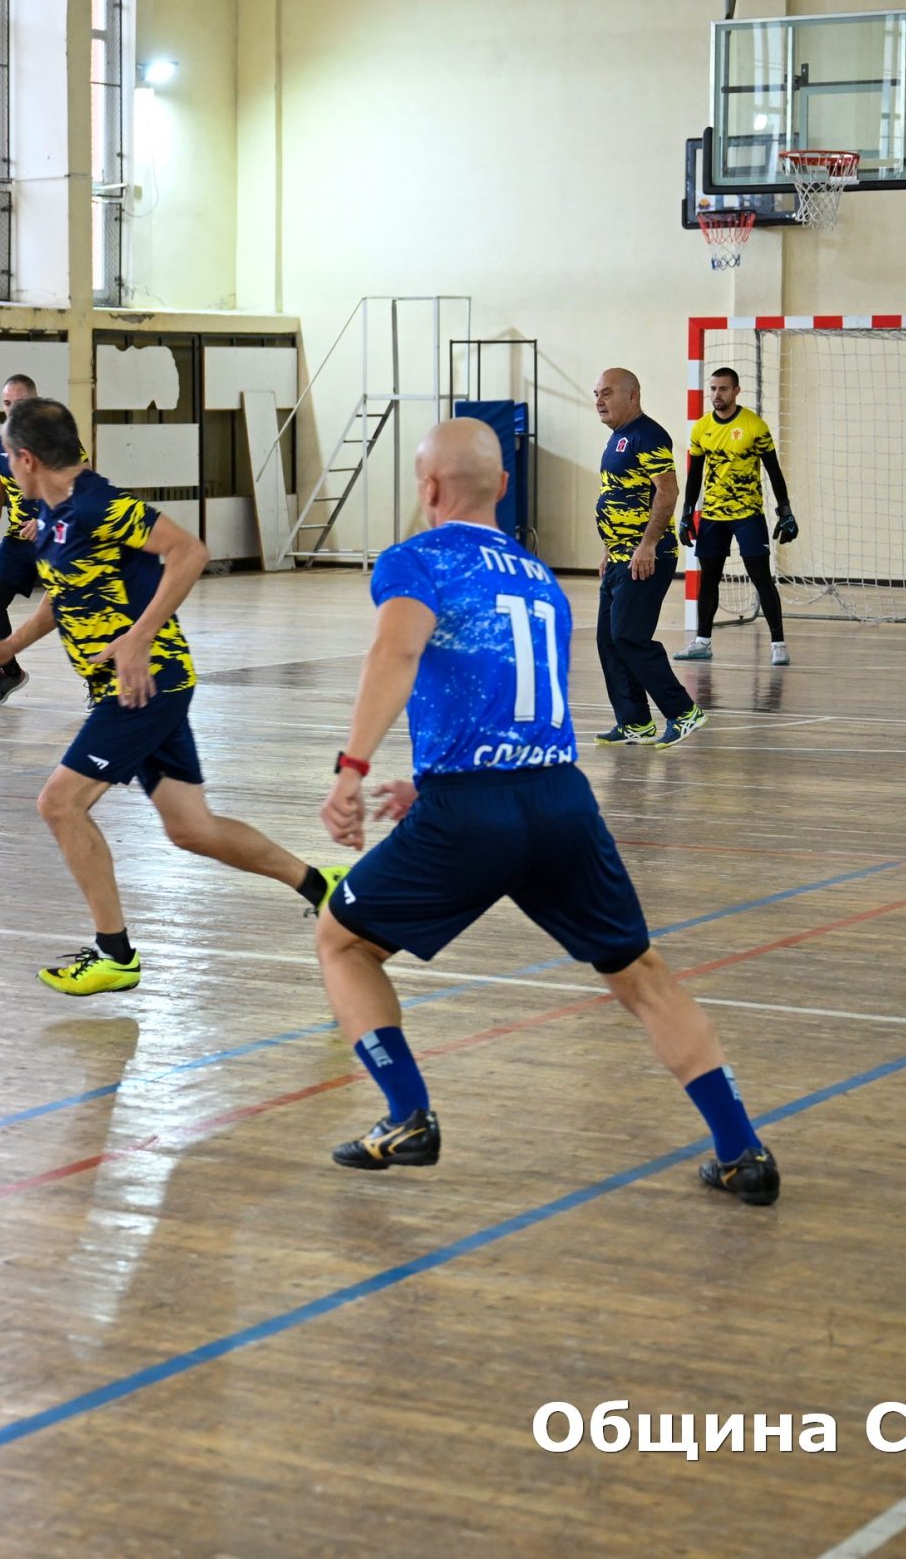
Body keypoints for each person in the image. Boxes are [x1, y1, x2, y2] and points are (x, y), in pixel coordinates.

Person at [314, 418, 779, 1204]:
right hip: (560, 801)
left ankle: (407, 1114)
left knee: (342, 940)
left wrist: (351, 769)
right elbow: (519, 699)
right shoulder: (539, 576)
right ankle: (742, 1149)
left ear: (428, 488)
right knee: (642, 975)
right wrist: (429, 779)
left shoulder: (416, 559)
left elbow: (396, 650)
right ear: (502, 486)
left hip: (472, 814)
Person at [0, 397, 344, 995]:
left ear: (26, 458)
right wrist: (9, 647)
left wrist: (138, 637)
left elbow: (189, 551)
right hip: (140, 687)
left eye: (7, 455)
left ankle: (115, 955)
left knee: (59, 804)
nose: (5, 465)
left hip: (142, 684)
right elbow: (66, 594)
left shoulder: (100, 504)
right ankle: (323, 887)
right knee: (192, 829)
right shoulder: (53, 515)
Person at [590, 367, 703, 747]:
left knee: (629, 636)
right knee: (609, 640)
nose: (599, 401)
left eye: (607, 393)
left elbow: (667, 492)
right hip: (620, 556)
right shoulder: (617, 439)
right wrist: (609, 548)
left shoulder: (648, 435)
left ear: (632, 395)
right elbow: (618, 497)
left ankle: (683, 712)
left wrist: (648, 545)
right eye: (596, 394)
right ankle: (634, 721)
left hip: (647, 558)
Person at [676, 365, 796, 666]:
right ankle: (702, 642)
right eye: (713, 388)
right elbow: (694, 474)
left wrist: (785, 509)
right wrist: (687, 513)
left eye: (723, 389)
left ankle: (778, 644)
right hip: (713, 515)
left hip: (748, 514)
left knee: (761, 578)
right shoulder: (701, 428)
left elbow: (773, 470)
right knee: (709, 579)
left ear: (736, 391)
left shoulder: (754, 426)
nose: (717, 394)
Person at [0, 372, 43, 706]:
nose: (13, 410)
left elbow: (82, 489)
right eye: (6, 403)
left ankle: (99, 678)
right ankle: (9, 671)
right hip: (18, 541)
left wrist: (46, 520)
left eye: (20, 403)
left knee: (74, 608)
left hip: (59, 538)